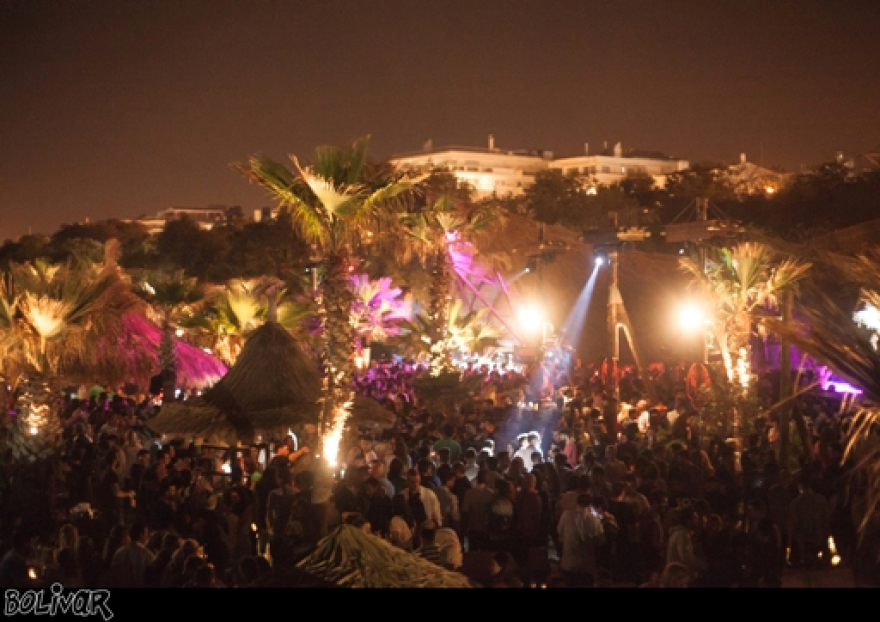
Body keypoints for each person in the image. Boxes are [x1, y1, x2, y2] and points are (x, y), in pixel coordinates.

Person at [556, 493, 605, 587]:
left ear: (577, 503)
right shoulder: (594, 520)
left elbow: (560, 533)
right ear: (590, 505)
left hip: (569, 564)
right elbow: (600, 541)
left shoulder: (566, 515)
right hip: (587, 565)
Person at [109, 522, 156, 588]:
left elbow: (113, 576)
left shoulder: (119, 553)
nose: (148, 537)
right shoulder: (147, 554)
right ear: (141, 535)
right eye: (146, 534)